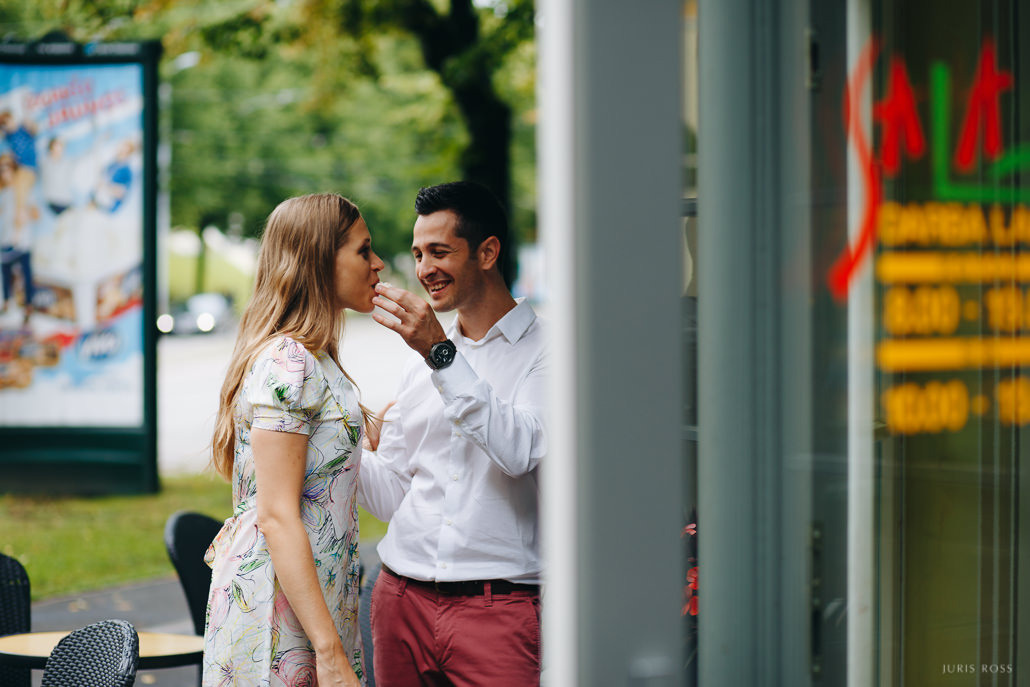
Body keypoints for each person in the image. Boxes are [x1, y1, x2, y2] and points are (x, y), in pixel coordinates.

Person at [359, 180, 548, 686]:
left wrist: (441, 354)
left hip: (500, 609)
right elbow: (392, 495)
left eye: (439, 251)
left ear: (487, 252)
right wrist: (340, 441)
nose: (423, 270)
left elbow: (518, 450)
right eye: (418, 253)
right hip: (399, 599)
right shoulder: (420, 360)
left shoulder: (548, 352)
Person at [203, 192, 384, 687]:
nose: (378, 264)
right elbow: (277, 514)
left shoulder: (317, 359)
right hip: (280, 615)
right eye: (363, 251)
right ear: (319, 261)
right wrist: (328, 652)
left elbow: (326, 461)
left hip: (314, 605)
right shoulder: (288, 360)